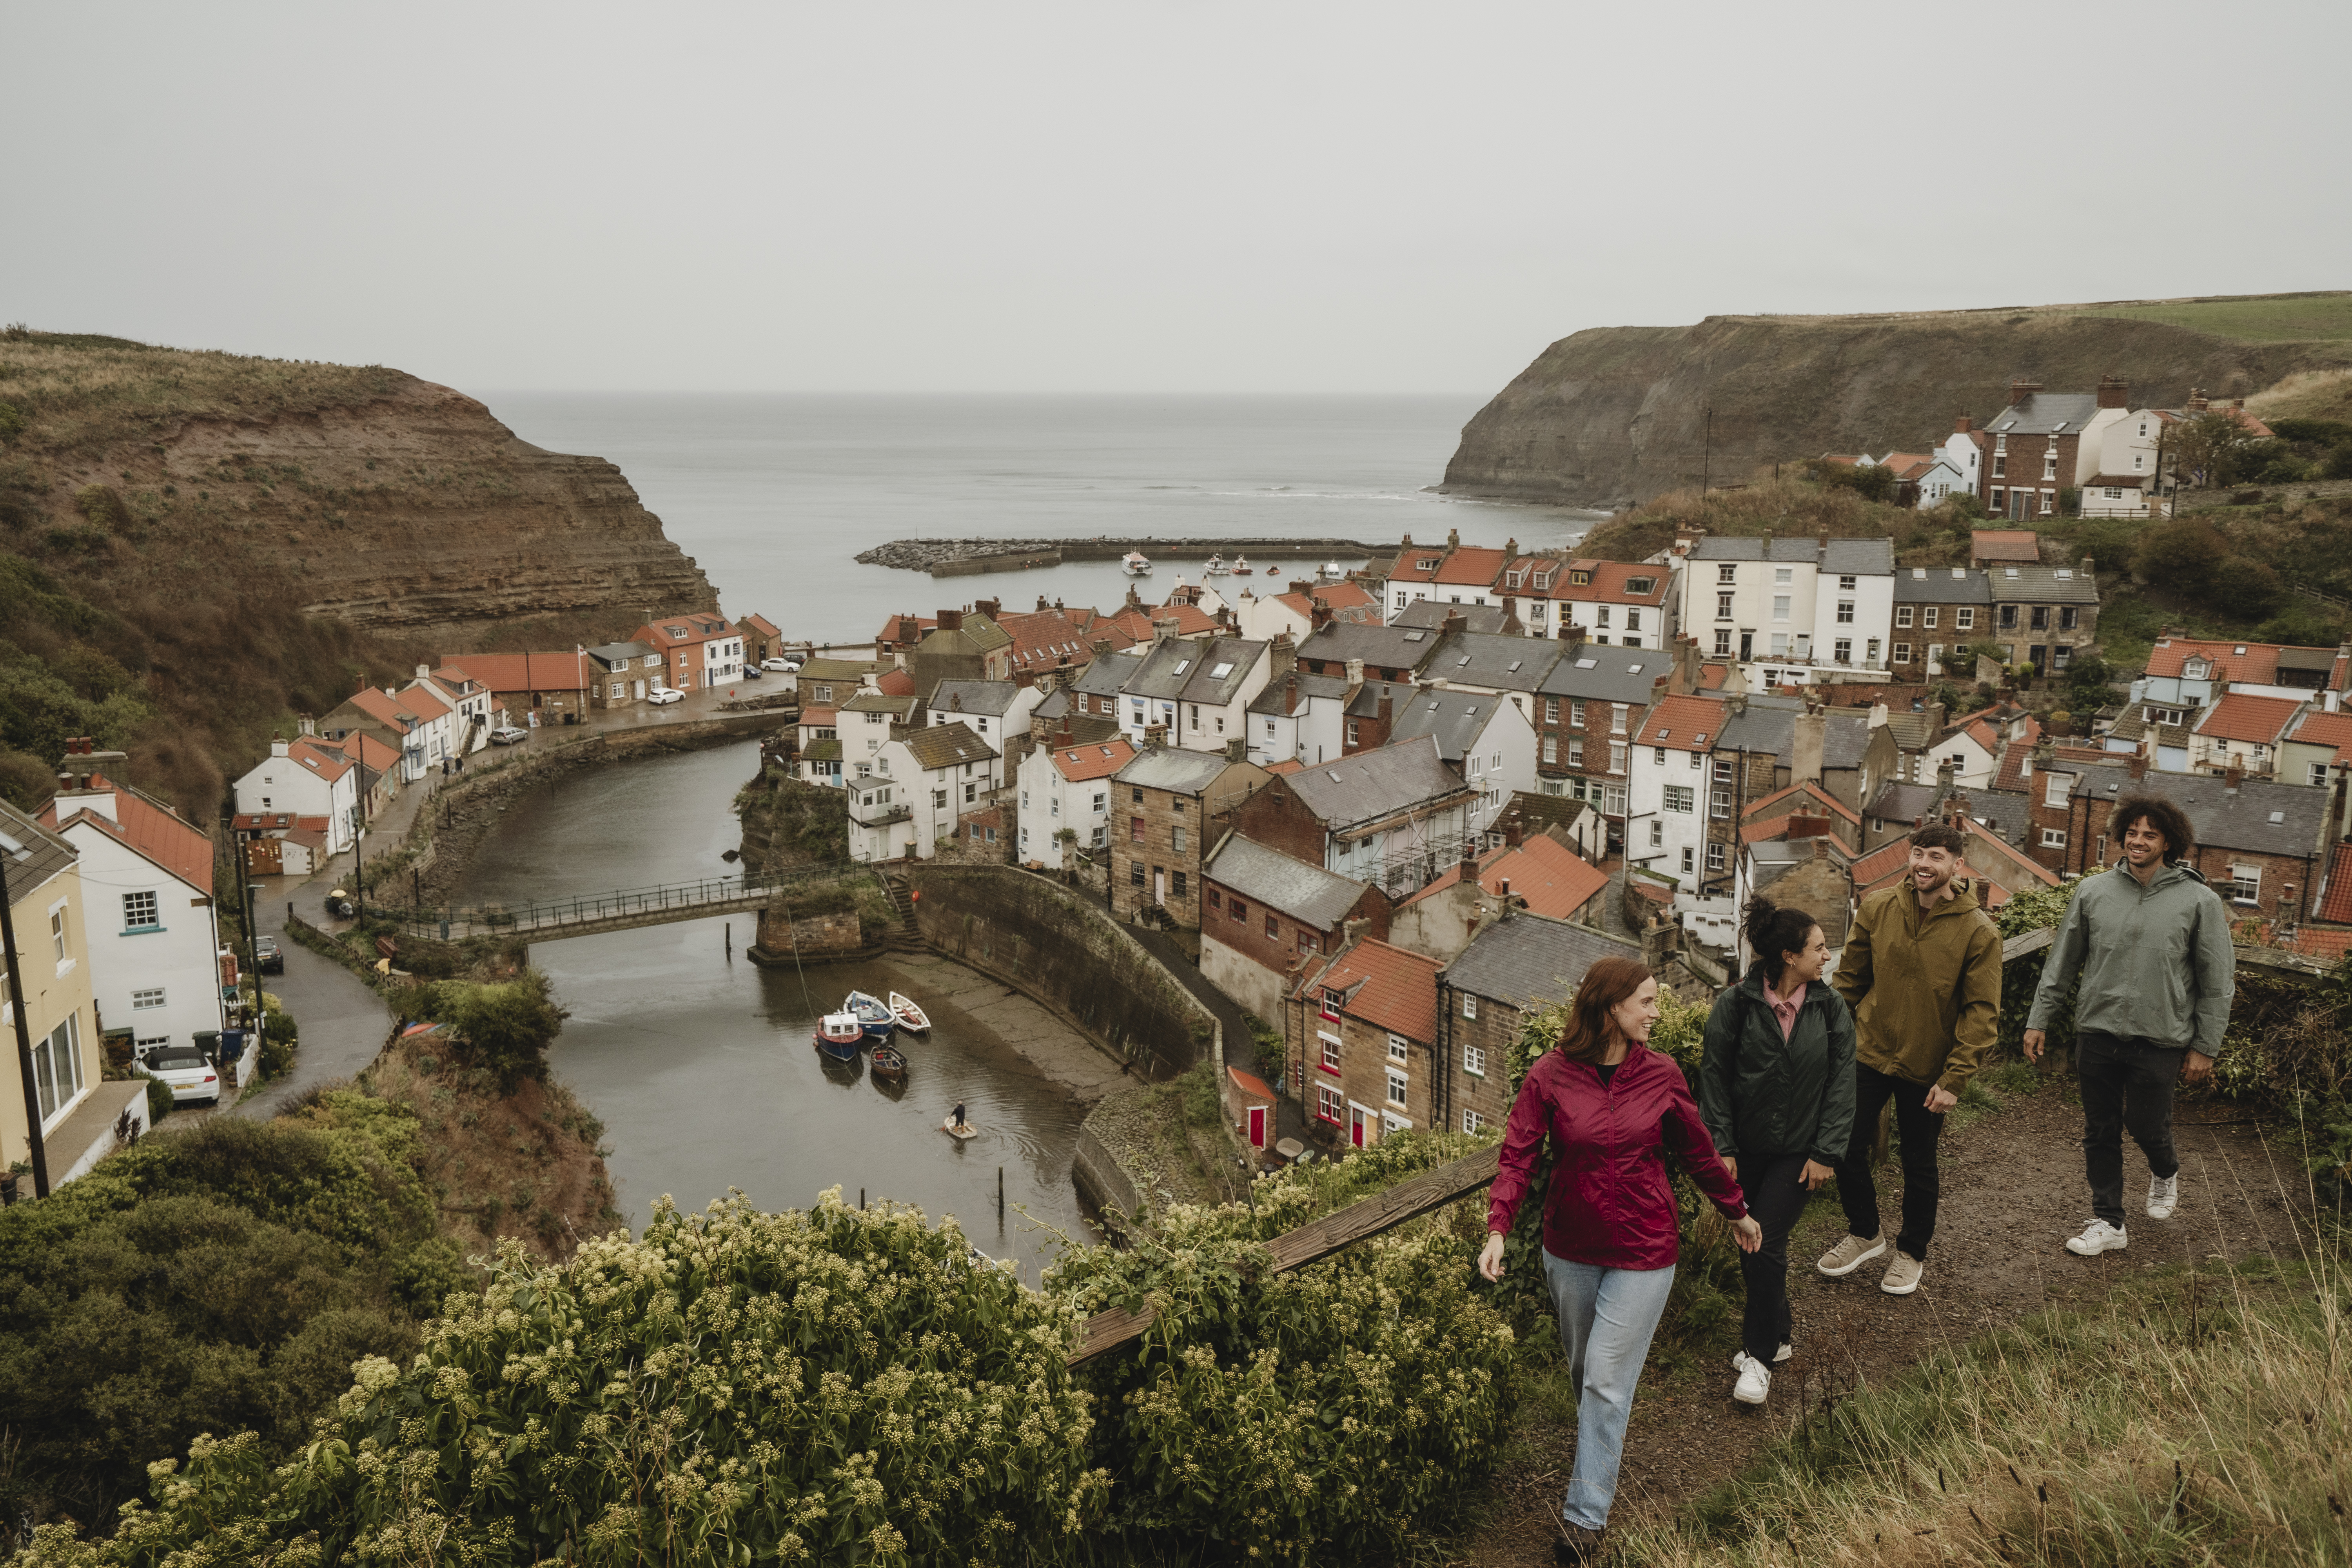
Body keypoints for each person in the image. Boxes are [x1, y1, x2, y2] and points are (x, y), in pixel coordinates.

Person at [1478, 956, 1760, 1564]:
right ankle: (1598, 1459)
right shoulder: (1549, 1076)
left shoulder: (1661, 1075)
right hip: (1570, 1250)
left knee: (1606, 1380)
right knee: (1588, 1377)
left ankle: (1585, 1519)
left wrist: (1734, 1209)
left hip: (1644, 1248)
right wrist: (1499, 1227)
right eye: (1648, 1003)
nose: (1658, 1013)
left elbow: (1698, 1151)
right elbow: (1518, 1154)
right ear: (1612, 1008)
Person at [2024, 795, 2234, 1256]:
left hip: (2160, 1037)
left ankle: (2165, 1170)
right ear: (2122, 835)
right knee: (2099, 1129)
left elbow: (2217, 982)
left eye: (2150, 834)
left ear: (2169, 842)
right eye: (2132, 832)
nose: (2138, 841)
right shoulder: (2093, 892)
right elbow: (2061, 964)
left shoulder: (2200, 901)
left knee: (2145, 1125)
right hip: (2097, 1032)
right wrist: (2039, 1019)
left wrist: (2206, 1046)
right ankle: (2108, 1220)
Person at [1820, 822, 2002, 1297]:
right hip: (1870, 1051)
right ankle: (1866, 1232)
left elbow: (1982, 1013)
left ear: (1957, 865)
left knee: (1919, 1161)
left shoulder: (1978, 931)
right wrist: (1830, 1042)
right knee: (1844, 1144)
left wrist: (1956, 1078)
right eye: (1919, 853)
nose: (1925, 863)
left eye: (1937, 856)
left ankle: (1912, 1252)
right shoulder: (1879, 907)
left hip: (1929, 1066)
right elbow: (1849, 983)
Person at [1699, 895, 1856, 1407]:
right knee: (1755, 1247)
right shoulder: (1735, 1006)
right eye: (1819, 948)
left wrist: (1827, 1152)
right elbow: (1715, 1080)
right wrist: (1721, 1145)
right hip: (1744, 1150)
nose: (1826, 956)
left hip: (1799, 1152)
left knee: (1762, 1242)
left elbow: (1842, 1084)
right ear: (1789, 956)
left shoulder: (1830, 1008)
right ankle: (1781, 1334)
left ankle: (1760, 1358)